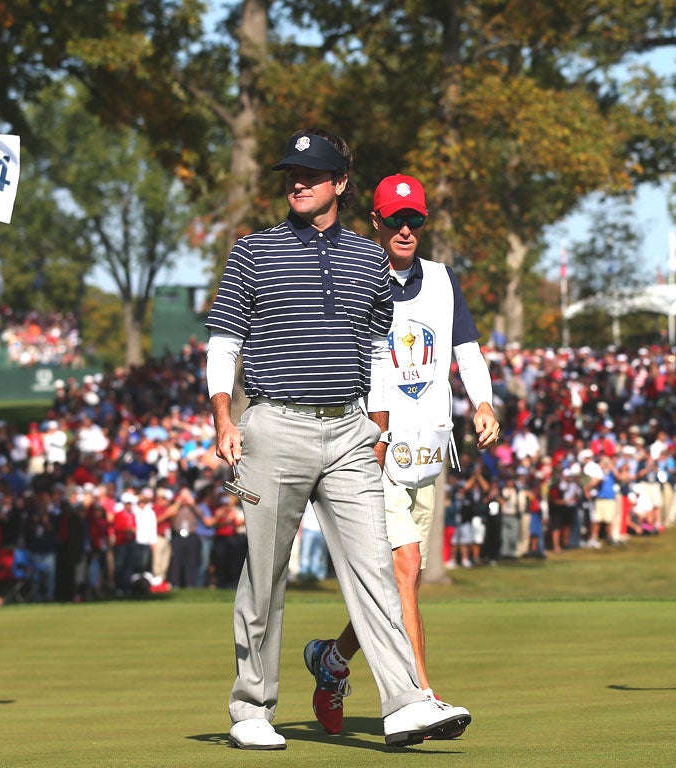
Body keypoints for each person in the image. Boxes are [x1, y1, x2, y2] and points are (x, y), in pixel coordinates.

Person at [204, 131, 470, 750]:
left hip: (350, 428)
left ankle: (403, 703)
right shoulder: (253, 253)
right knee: (265, 574)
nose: (298, 182)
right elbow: (224, 343)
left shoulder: (366, 258)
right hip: (274, 425)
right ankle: (251, 708)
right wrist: (223, 415)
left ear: (340, 184)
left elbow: (378, 346)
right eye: (291, 173)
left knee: (377, 566)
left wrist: (376, 424)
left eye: (312, 173)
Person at [306, 173, 499, 736]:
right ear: (377, 222)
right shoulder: (355, 276)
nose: (406, 229)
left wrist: (482, 404)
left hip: (429, 451)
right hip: (373, 450)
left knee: (398, 584)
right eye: (396, 219)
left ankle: (333, 659)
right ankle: (418, 694)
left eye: (414, 219)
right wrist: (368, 426)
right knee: (405, 568)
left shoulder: (442, 280)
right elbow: (352, 361)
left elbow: (467, 350)